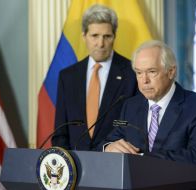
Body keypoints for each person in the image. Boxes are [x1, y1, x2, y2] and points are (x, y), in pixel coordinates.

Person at [103, 40, 196, 167]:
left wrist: (141, 157)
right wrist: (108, 148)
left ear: (171, 72)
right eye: (139, 73)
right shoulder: (130, 106)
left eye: (152, 72)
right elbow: (111, 140)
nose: (144, 80)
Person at [51, 4, 137, 150]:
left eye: (107, 36)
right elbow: (60, 132)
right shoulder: (68, 76)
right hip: (75, 164)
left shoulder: (132, 73)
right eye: (95, 36)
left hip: (114, 162)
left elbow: (133, 126)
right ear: (84, 36)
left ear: (114, 36)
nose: (100, 43)